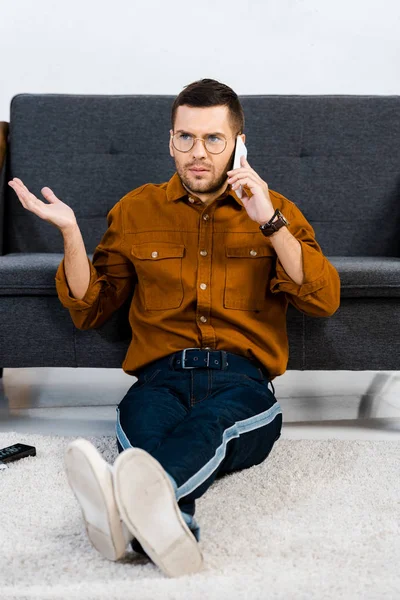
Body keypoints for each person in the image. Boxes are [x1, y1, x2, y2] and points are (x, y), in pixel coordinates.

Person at [8, 78, 340, 578]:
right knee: (143, 444)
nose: (198, 153)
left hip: (242, 384)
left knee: (208, 429)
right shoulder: (137, 210)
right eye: (186, 138)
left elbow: (322, 298)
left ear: (238, 143)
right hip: (158, 380)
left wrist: (268, 219)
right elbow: (90, 306)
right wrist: (71, 233)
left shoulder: (275, 211)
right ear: (170, 141)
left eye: (213, 139)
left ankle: (119, 513)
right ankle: (172, 525)